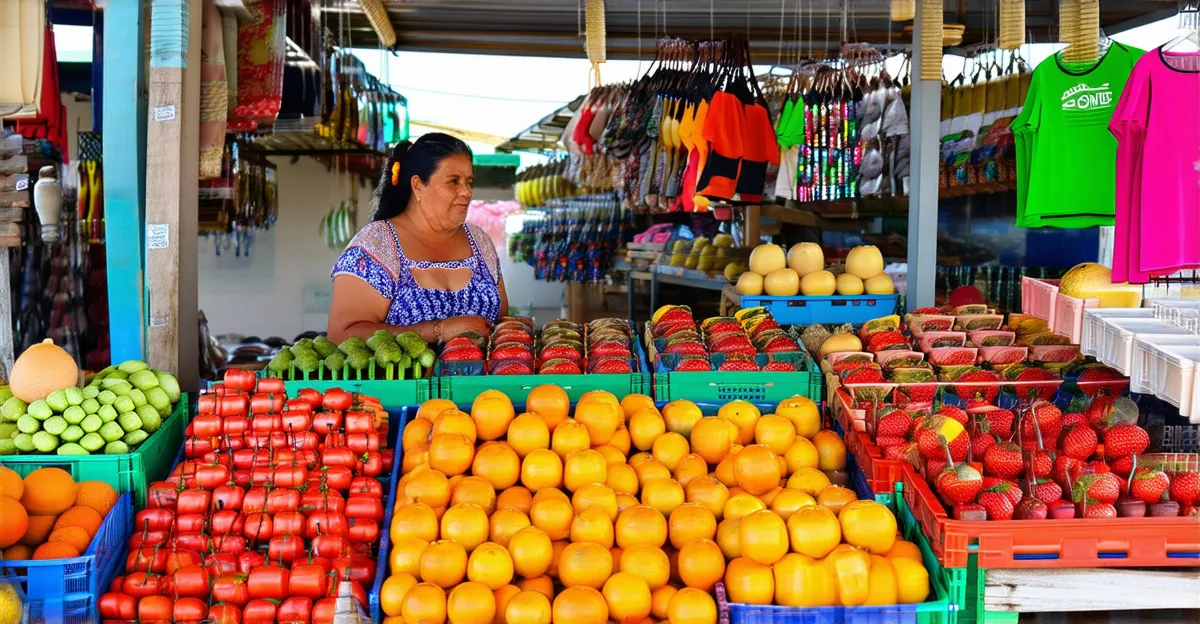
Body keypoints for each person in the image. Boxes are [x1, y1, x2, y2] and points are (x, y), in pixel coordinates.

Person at [327, 133, 507, 344]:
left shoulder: (479, 241)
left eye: (469, 182)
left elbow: (500, 323)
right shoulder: (376, 244)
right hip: (404, 378)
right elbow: (342, 335)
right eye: (453, 181)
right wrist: (438, 330)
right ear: (418, 186)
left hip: (482, 377)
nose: (466, 192)